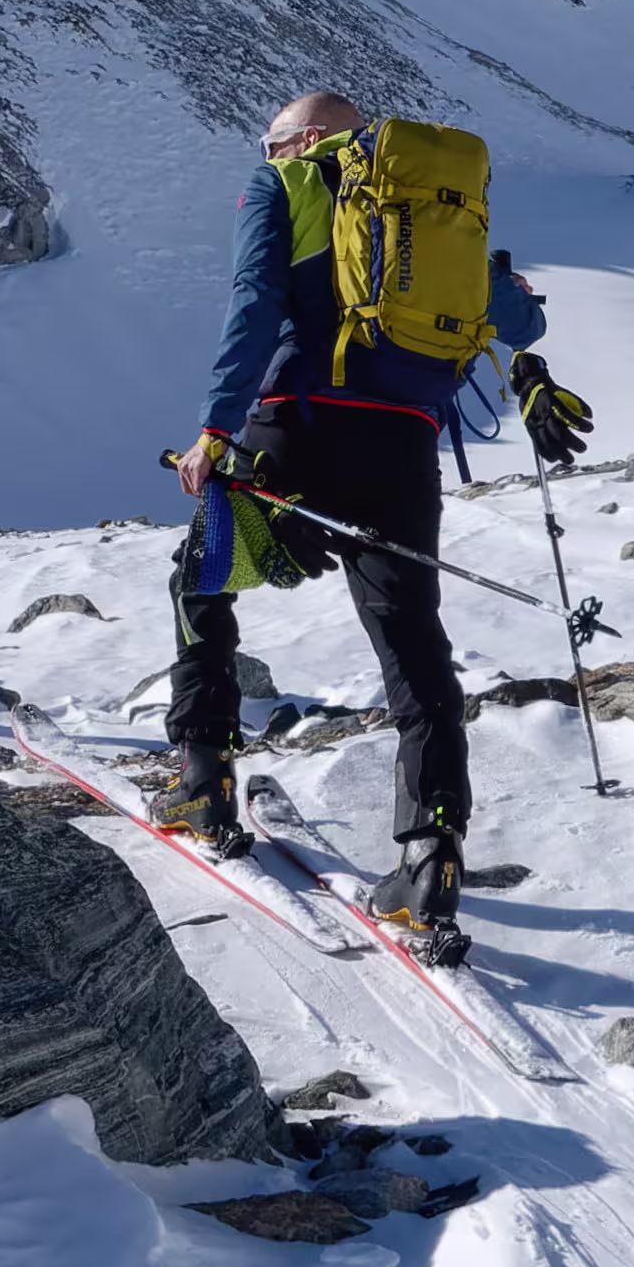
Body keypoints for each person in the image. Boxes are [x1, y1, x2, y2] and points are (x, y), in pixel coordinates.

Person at [162, 90, 550, 958]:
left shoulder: (287, 183)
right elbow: (520, 321)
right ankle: (431, 856)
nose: (267, 155)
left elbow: (254, 300)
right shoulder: (433, 204)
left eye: (271, 142)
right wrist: (517, 296)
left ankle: (203, 777)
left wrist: (216, 427)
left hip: (298, 426)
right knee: (411, 637)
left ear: (304, 139)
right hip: (402, 446)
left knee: (203, 575)